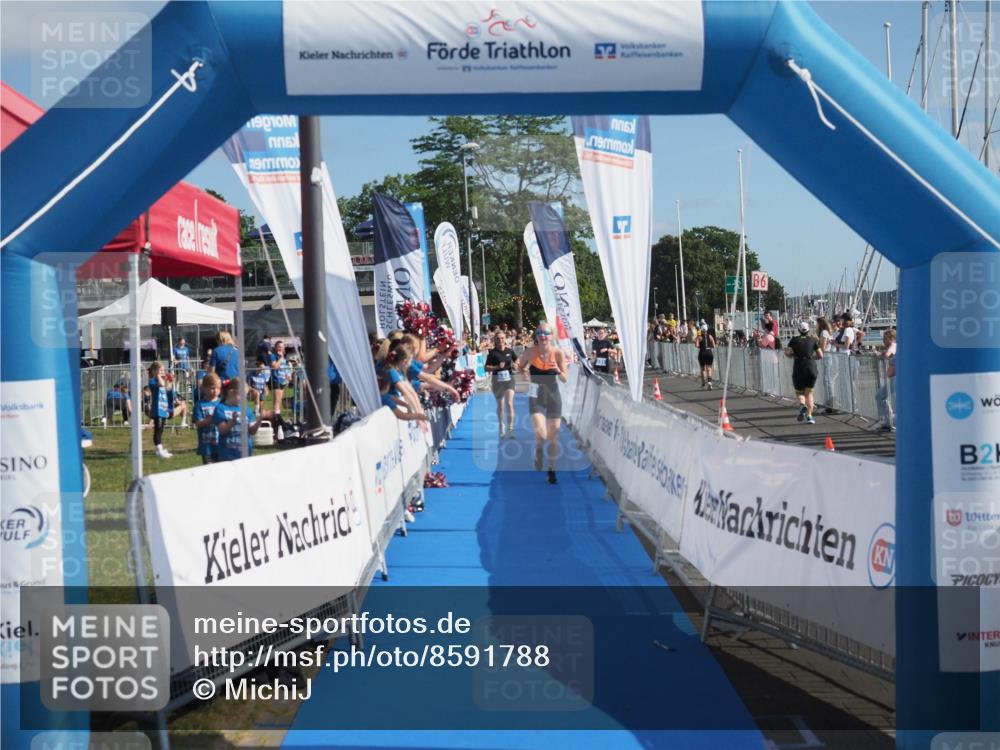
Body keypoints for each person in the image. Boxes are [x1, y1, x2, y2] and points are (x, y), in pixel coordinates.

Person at [517, 322, 568, 484]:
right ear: (536, 337)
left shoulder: (558, 353)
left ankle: (552, 471)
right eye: (539, 333)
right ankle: (539, 449)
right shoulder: (530, 352)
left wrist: (559, 370)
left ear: (551, 336)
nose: (543, 336)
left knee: (553, 437)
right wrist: (524, 373)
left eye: (546, 333)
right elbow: (519, 367)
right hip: (536, 395)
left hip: (553, 395)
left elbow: (565, 379)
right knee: (542, 434)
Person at [784, 320, 823, 425]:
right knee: (809, 393)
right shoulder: (813, 340)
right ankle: (809, 416)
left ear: (799, 330)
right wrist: (812, 357)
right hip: (811, 366)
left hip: (799, 366)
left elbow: (787, 352)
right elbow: (820, 355)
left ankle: (802, 405)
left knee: (799, 392)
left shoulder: (794, 340)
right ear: (808, 330)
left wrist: (791, 355)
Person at [213, 378, 261, 461]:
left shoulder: (246, 409)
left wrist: (259, 422)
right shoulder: (220, 408)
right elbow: (222, 430)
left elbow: (252, 431)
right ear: (231, 392)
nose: (244, 399)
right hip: (227, 454)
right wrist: (231, 423)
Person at [148, 361, 187, 458]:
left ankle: (159, 449)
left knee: (161, 430)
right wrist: (158, 376)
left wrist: (169, 381)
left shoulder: (161, 380)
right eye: (160, 370)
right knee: (158, 430)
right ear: (154, 371)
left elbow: (168, 389)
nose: (163, 372)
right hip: (157, 410)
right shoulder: (152, 381)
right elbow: (161, 384)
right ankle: (159, 450)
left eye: (163, 370)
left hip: (163, 409)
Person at [485, 332, 517, 439]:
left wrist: (516, 365)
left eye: (502, 338)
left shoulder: (509, 351)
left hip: (509, 380)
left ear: (505, 339)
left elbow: (517, 361)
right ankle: (501, 425)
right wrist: (497, 367)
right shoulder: (492, 353)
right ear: (495, 340)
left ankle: (511, 429)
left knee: (509, 403)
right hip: (497, 381)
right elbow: (486, 368)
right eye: (498, 338)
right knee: (501, 405)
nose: (500, 340)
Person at [194, 372, 221, 464]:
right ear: (204, 388)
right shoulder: (200, 404)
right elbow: (198, 423)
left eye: (218, 388)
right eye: (213, 388)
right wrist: (211, 419)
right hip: (207, 446)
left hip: (221, 444)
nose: (216, 390)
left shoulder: (222, 403)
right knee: (209, 471)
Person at [875, 329, 897, 431]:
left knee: (880, 395)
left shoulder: (893, 345)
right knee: (882, 396)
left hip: (897, 377)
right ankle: (889, 420)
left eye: (885, 338)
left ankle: (889, 420)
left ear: (891, 339)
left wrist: (881, 355)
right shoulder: (895, 346)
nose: (883, 340)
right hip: (895, 376)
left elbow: (888, 354)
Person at [268, 340, 292, 417]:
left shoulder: (284, 358)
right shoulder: (273, 356)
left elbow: (285, 368)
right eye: (279, 347)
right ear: (275, 348)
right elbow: (275, 366)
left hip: (282, 380)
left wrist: (288, 375)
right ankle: (276, 418)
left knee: (279, 401)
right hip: (276, 380)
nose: (280, 348)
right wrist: (280, 359)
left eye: (282, 347)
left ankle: (277, 417)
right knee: (277, 402)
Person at [697, 323, 716, 389]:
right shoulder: (710, 336)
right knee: (709, 368)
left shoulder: (699, 337)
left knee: (702, 369)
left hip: (702, 352)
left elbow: (697, 345)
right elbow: (714, 345)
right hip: (709, 352)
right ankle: (709, 382)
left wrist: (698, 341)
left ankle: (703, 383)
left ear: (701, 330)